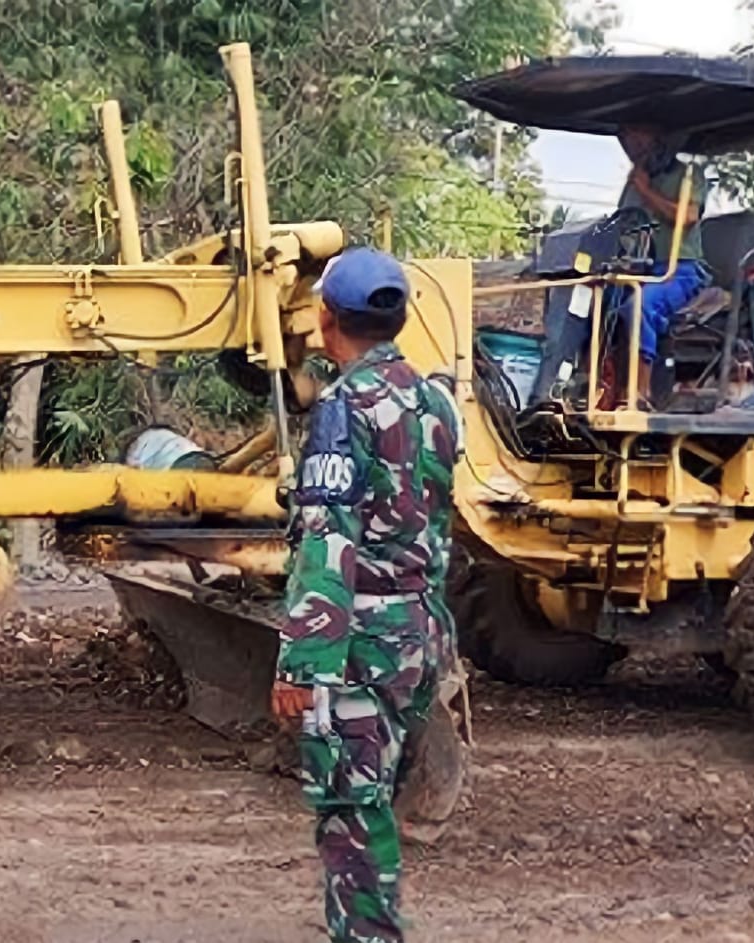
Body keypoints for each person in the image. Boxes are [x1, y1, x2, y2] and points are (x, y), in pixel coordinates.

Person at [270, 247, 462, 943]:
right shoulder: (435, 398)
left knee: (351, 809)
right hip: (420, 634)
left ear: (326, 320)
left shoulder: (344, 407)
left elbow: (329, 539)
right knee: (375, 798)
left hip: (358, 644)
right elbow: (431, 516)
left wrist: (301, 664)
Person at [614, 124, 712, 406]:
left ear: (656, 136)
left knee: (639, 306)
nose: (631, 147)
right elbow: (622, 224)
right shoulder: (634, 183)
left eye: (636, 137)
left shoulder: (687, 174)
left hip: (682, 270)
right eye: (624, 140)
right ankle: (587, 383)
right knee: (596, 303)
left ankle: (639, 393)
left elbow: (688, 216)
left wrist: (646, 192)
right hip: (639, 269)